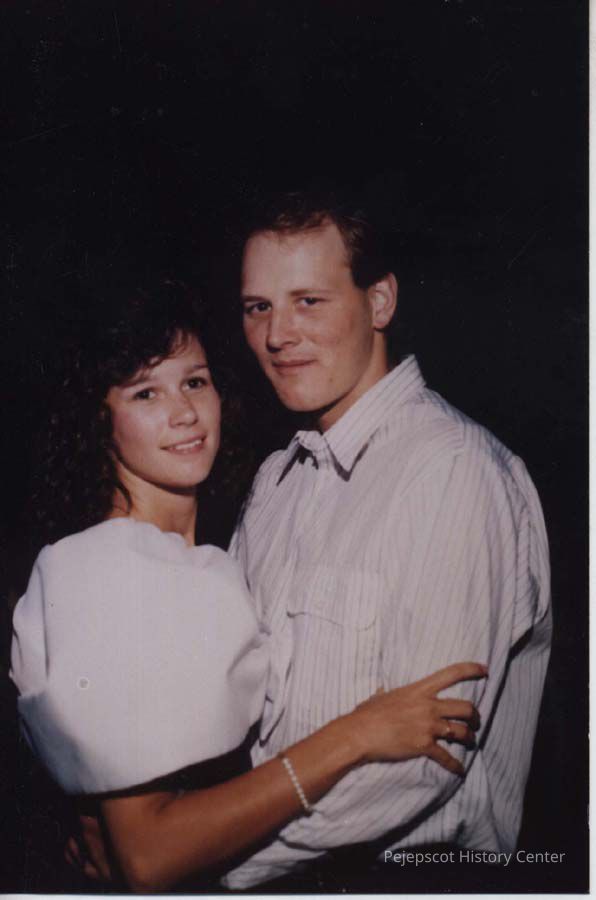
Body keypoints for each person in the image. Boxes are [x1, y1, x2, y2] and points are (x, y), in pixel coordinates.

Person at [10, 276, 486, 893]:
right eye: (145, 393)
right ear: (99, 423)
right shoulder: (111, 569)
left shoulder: (193, 560)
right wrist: (355, 735)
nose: (184, 412)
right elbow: (150, 857)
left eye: (194, 381)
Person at [218, 189, 552, 889]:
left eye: (309, 301)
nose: (277, 335)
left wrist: (202, 851)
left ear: (380, 302)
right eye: (258, 307)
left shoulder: (452, 471)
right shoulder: (277, 479)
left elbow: (419, 769)